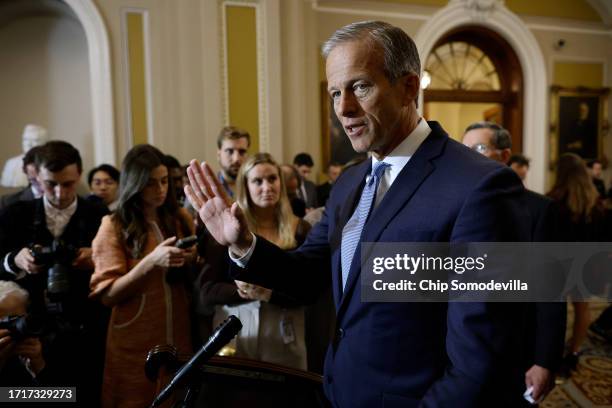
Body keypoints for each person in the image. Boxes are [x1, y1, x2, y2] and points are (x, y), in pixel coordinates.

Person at [185, 20, 530, 407]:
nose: (343, 109)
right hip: (340, 391)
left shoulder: (480, 187)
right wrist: (244, 244)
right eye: (335, 93)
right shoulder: (350, 183)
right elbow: (306, 275)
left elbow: (481, 357)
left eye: (360, 87)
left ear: (408, 88)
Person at [463, 122, 566, 403]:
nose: (469, 155)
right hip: (461, 350)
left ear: (505, 155)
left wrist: (544, 361)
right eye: (464, 149)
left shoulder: (540, 210)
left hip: (515, 349)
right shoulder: (454, 204)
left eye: (479, 148)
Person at [0, 140, 108, 404]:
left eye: (68, 184)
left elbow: (120, 268)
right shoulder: (15, 213)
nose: (60, 193)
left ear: (80, 175)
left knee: (84, 397)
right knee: (35, 398)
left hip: (87, 330)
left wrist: (98, 259)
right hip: (30, 329)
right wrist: (15, 259)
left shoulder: (99, 214)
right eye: (51, 184)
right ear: (37, 176)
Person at [90, 144, 195, 408]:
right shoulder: (114, 225)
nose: (160, 190)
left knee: (177, 397)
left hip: (179, 330)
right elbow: (108, 294)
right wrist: (151, 261)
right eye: (150, 183)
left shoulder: (179, 217)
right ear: (135, 183)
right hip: (134, 338)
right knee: (134, 399)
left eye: (164, 181)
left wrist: (190, 258)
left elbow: (195, 267)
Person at [200, 153, 312, 369]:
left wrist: (267, 292)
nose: (267, 187)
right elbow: (206, 291)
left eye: (272, 179)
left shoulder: (300, 228)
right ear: (245, 185)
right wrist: (240, 291)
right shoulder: (229, 228)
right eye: (257, 181)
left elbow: (309, 289)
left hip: (284, 326)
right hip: (236, 325)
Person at [547, 153, 608, 378]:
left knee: (557, 310)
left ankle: (551, 353)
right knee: (582, 310)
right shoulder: (597, 204)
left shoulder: (553, 200)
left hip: (561, 262)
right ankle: (573, 353)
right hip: (589, 264)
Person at [0, 281, 47, 385]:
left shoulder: (43, 346)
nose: (17, 327)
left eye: (19, 319)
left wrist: (39, 367)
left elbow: (63, 396)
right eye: (7, 321)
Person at [0, 146, 44, 211]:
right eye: (34, 179)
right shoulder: (7, 202)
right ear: (25, 172)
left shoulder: (61, 198)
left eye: (43, 178)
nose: (39, 180)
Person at [217, 126, 250, 198]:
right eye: (230, 151)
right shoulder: (206, 190)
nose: (236, 159)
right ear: (219, 155)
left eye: (242, 152)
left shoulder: (257, 188)